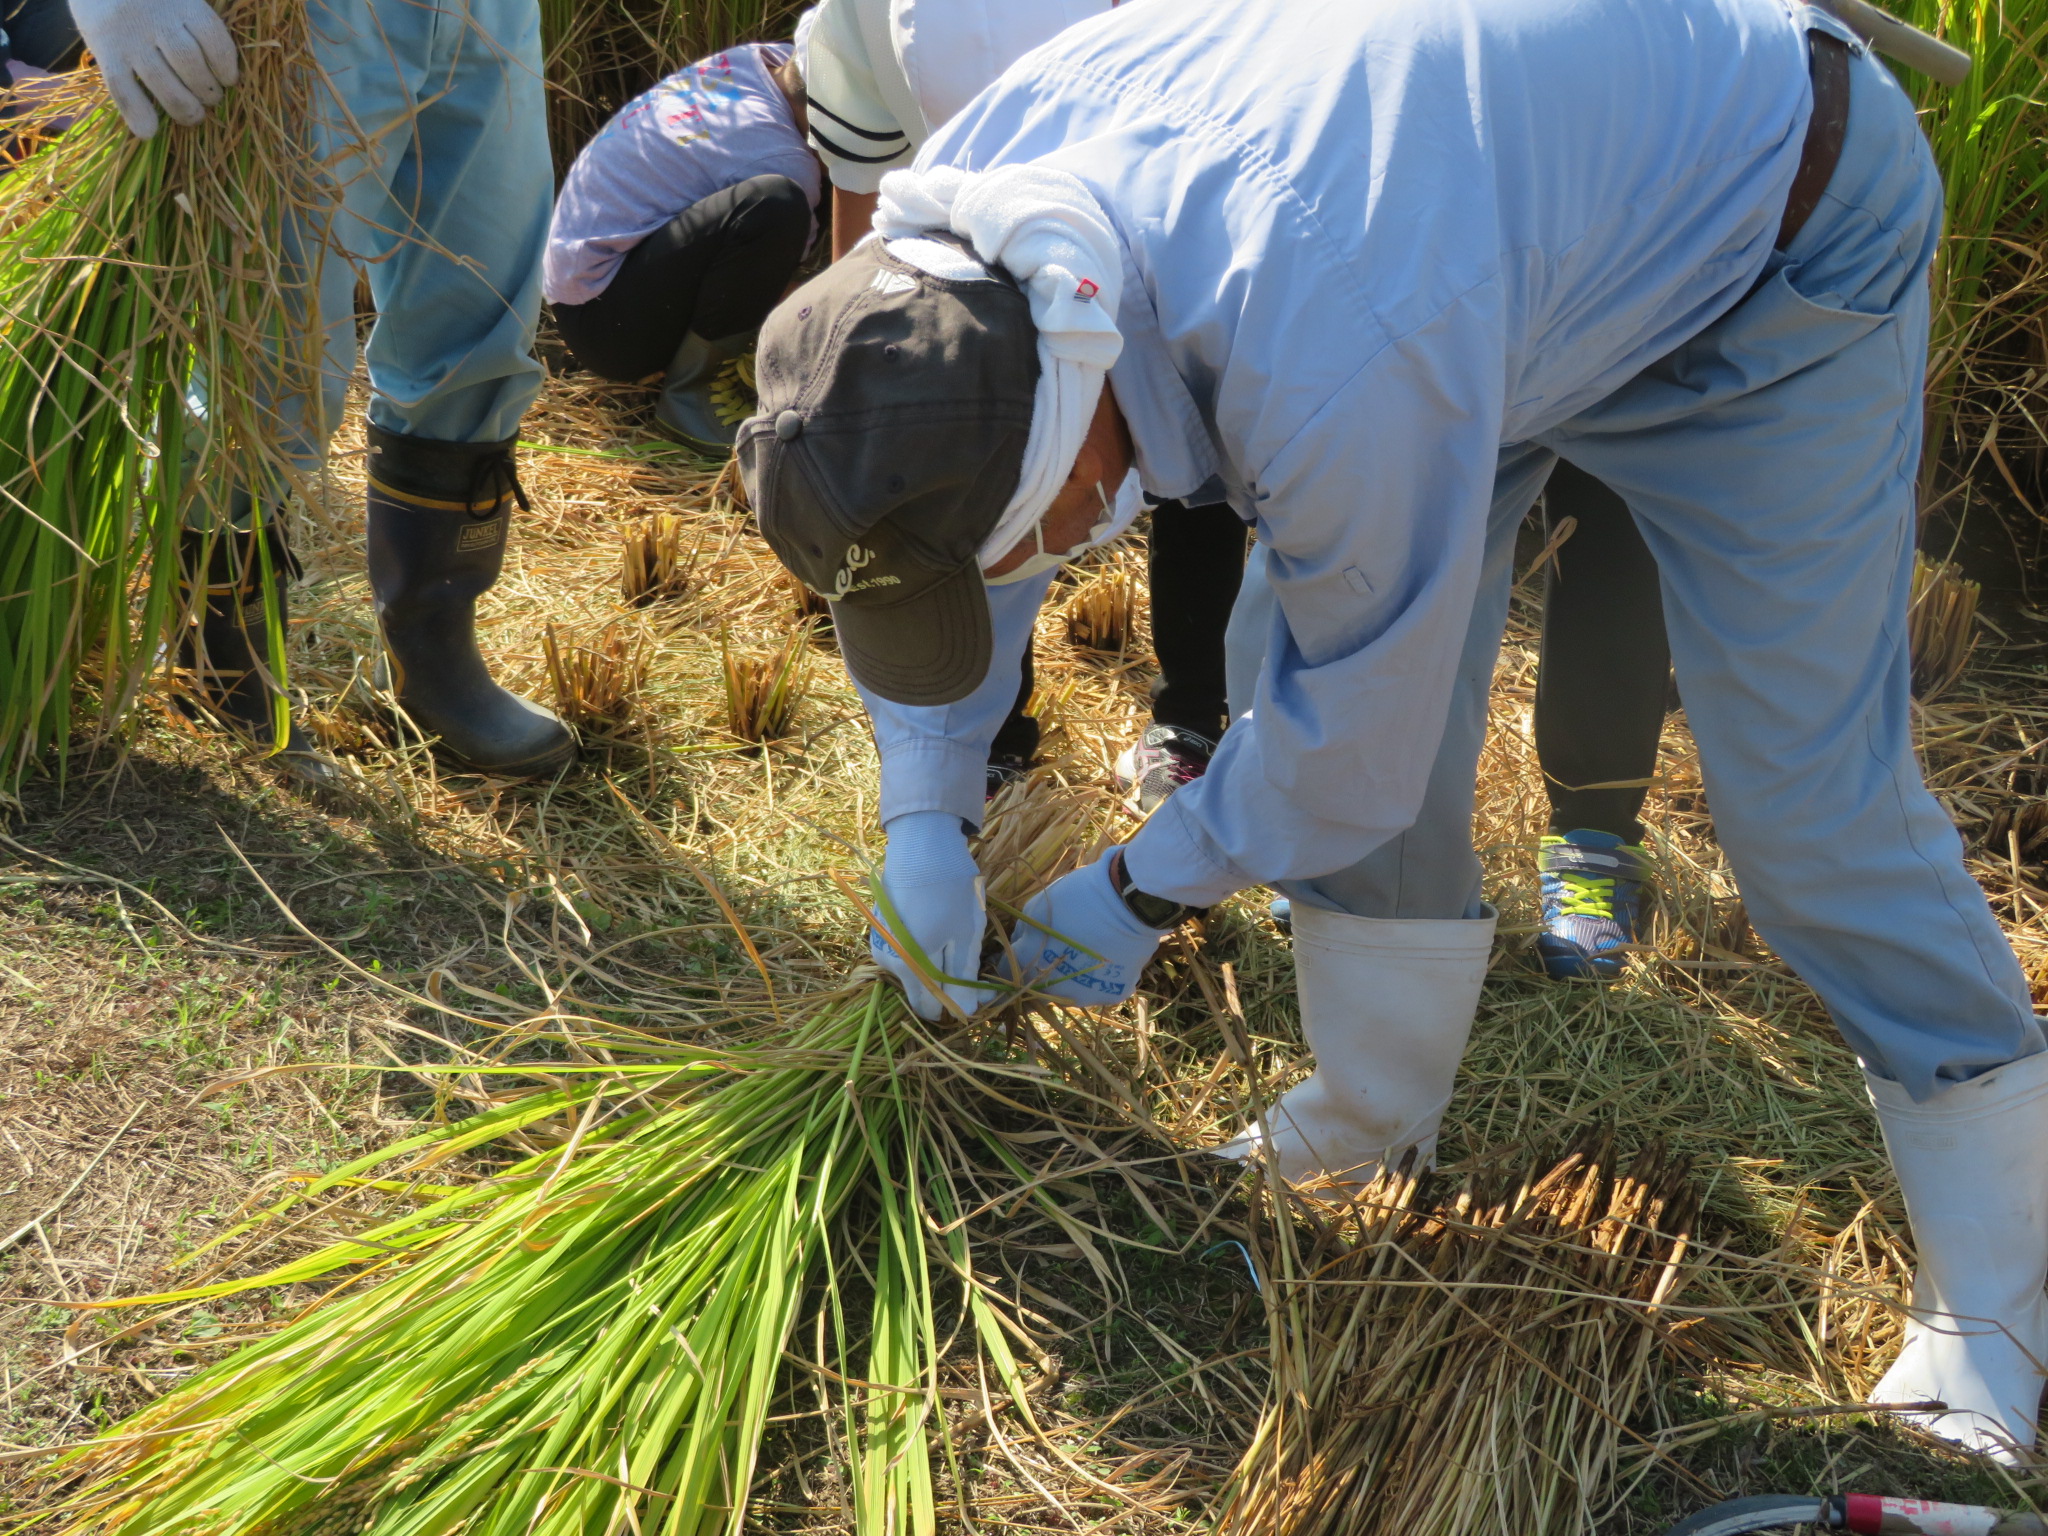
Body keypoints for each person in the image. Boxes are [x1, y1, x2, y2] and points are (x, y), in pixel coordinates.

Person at [740, 0, 2048, 1462]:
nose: (1020, 567)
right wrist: (923, 815)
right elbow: (992, 540)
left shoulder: (1330, 340)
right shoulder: (965, 244)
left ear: (1074, 405)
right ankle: (1368, 1120)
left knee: (1808, 803)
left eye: (1009, 539)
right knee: (1288, 664)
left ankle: (1997, 1307)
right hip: (1479, 248)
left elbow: (1350, 739)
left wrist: (1136, 890)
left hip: (1765, 241)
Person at [72, 0, 575, 783]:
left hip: (490, 13)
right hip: (306, 18)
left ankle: (434, 652)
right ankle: (219, 653)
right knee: (274, 348)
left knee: (484, 322)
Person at [804, 0, 1248, 808]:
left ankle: (1194, 718)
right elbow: (860, 189)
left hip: (1164, 221)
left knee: (1204, 438)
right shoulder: (859, 24)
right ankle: (988, 740)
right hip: (963, 249)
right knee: (977, 484)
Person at [544, 37, 825, 451]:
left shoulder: (763, 59)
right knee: (774, 207)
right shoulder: (782, 162)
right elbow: (780, 285)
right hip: (606, 327)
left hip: (586, 283)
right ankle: (693, 400)